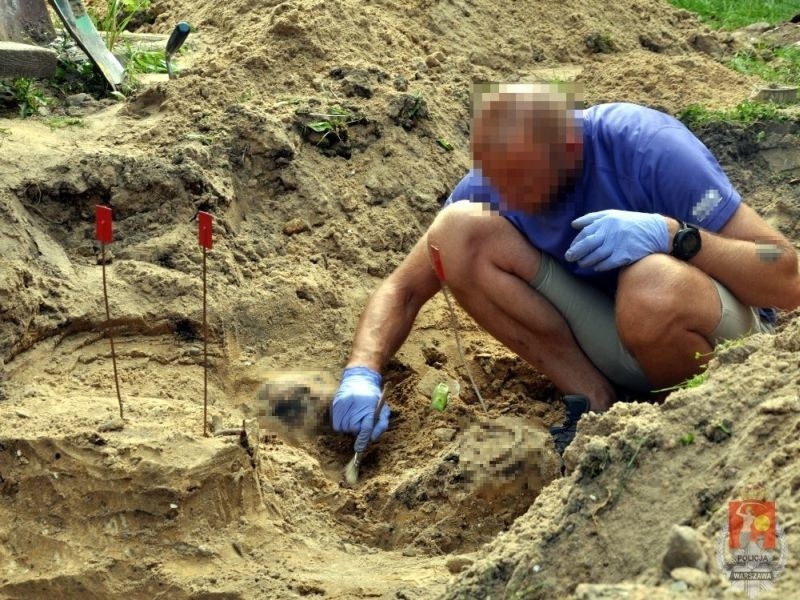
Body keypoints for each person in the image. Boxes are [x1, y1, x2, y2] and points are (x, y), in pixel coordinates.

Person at [330, 84, 800, 456]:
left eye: (520, 180)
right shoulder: (495, 181)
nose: (505, 196)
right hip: (614, 337)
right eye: (494, 177)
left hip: (714, 338)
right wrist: (362, 371)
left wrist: (675, 235)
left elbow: (784, 273)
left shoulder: (648, 148)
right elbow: (402, 290)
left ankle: (668, 425)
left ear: (570, 147)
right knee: (456, 232)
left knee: (650, 284)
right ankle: (595, 406)